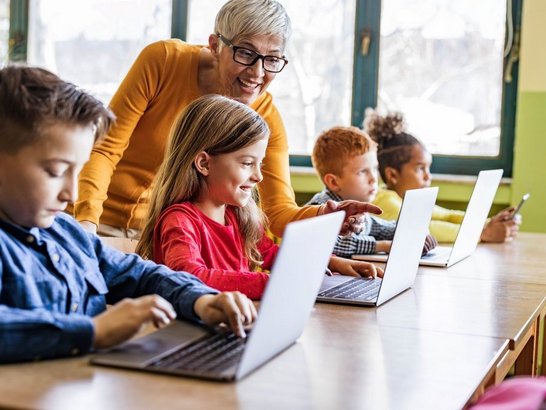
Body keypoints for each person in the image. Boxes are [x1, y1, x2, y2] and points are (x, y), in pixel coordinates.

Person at [0, 65, 257, 364]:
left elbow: (140, 274)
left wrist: (201, 300)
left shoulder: (65, 232)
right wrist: (92, 331)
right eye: (56, 172)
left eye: (78, 171)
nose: (71, 194)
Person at [72, 0, 381, 240]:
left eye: (272, 59)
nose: (257, 73)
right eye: (245, 53)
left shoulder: (266, 118)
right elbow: (104, 149)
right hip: (98, 223)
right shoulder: (163, 61)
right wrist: (86, 223)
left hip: (164, 238)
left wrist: (324, 216)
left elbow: (277, 211)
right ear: (215, 45)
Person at [136, 95, 382, 300]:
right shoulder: (180, 221)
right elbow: (189, 277)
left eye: (260, 164)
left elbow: (273, 254)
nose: (258, 176)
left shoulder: (236, 214)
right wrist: (272, 284)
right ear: (203, 163)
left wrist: (332, 262)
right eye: (246, 163)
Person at [364, 110, 520, 243]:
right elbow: (422, 229)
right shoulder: (384, 202)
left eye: (428, 168)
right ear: (392, 175)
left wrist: (490, 222)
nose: (428, 177)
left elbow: (448, 216)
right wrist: (484, 233)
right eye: (420, 169)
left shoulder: (408, 199)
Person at [307, 126, 436, 258]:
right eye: (362, 172)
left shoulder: (359, 211)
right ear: (334, 182)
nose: (374, 178)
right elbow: (332, 243)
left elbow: (383, 228)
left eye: (374, 169)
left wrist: (416, 232)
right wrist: (384, 246)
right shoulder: (320, 208)